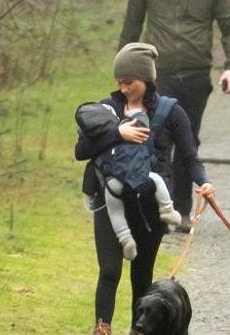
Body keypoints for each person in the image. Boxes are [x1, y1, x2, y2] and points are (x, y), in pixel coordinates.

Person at [74, 43, 214, 335]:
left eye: (129, 82)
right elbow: (81, 150)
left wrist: (204, 183)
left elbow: (189, 154)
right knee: (109, 272)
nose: (122, 88)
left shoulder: (170, 111)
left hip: (150, 207)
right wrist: (115, 132)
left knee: (141, 280)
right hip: (110, 201)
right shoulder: (107, 109)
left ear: (146, 79)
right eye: (119, 81)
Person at [119, 0, 230, 233]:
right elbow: (131, 26)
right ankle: (153, 207)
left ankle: (182, 209)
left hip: (195, 75)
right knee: (154, 140)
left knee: (187, 141)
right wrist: (124, 74)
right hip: (157, 75)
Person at [75, 103, 182, 260]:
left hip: (111, 184)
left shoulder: (94, 139)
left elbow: (82, 153)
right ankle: (167, 210)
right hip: (136, 178)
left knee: (115, 212)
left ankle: (125, 239)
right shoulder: (128, 127)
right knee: (157, 180)